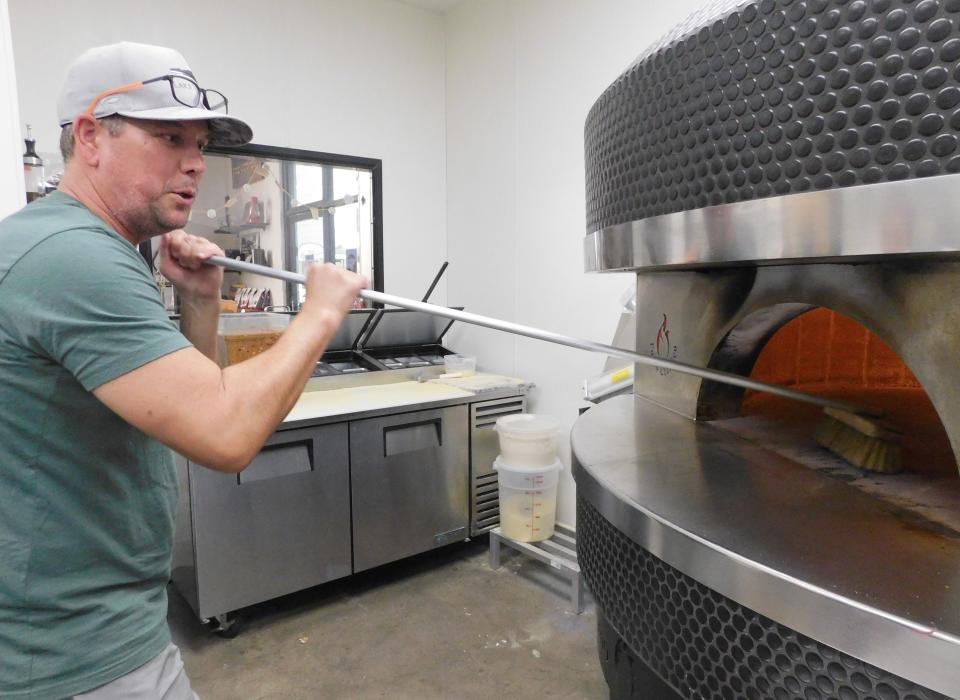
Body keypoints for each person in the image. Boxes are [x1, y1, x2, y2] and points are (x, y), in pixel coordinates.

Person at [0, 42, 367, 699]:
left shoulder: (86, 246)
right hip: (76, 652)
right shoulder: (76, 258)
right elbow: (225, 434)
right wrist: (320, 313)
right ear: (91, 136)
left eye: (199, 143)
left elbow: (183, 414)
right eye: (170, 138)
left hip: (100, 623)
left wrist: (198, 301)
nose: (195, 163)